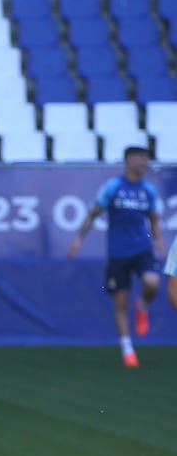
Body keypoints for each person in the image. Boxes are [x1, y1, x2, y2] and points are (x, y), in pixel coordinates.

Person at [67, 145, 165, 368]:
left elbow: (155, 220)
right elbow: (93, 214)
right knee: (120, 302)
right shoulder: (113, 187)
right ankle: (128, 350)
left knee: (152, 283)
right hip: (118, 253)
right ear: (129, 160)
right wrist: (78, 239)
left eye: (146, 159)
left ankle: (142, 306)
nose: (145, 163)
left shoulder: (148, 190)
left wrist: (158, 242)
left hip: (142, 249)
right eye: (141, 158)